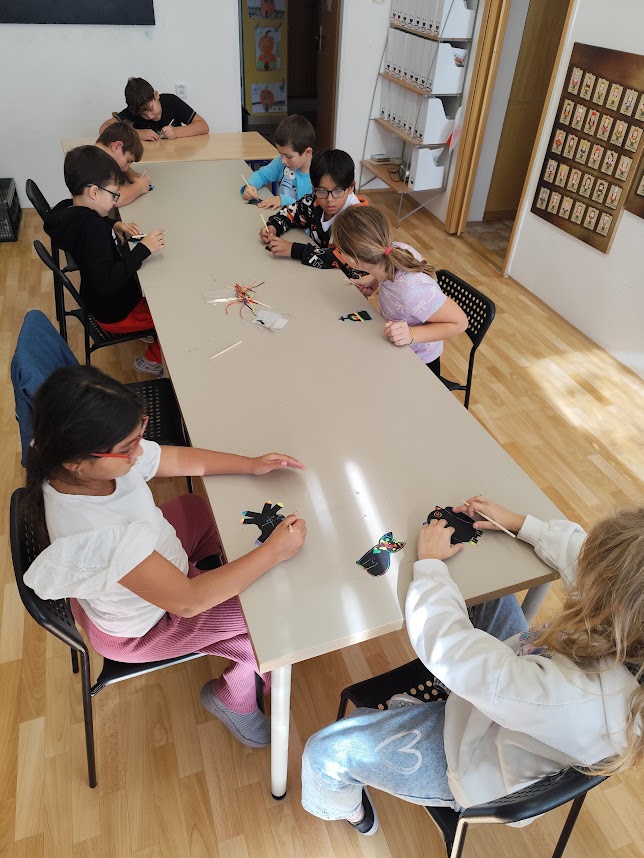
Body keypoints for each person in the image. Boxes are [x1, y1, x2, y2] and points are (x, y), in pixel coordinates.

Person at [301, 496, 644, 835]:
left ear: (613, 605)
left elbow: (447, 646)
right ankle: (439, 700)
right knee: (492, 594)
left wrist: (430, 565)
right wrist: (519, 523)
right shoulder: (629, 628)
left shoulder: (569, 696)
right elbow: (591, 560)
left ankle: (349, 811)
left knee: (324, 753)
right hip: (512, 700)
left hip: (472, 764)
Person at [23, 365, 307, 748]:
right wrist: (273, 552)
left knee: (195, 507)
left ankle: (225, 595)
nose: (138, 451)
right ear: (76, 461)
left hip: (152, 565)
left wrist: (250, 464)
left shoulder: (77, 460)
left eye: (140, 433)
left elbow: (170, 460)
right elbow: (188, 602)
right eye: (128, 447)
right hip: (148, 627)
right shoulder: (99, 534)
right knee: (268, 614)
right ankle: (232, 699)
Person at [44, 146, 165, 376]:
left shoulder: (69, 212)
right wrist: (144, 249)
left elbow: (91, 226)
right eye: (113, 194)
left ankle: (147, 333)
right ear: (94, 192)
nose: (115, 200)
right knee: (172, 314)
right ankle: (151, 360)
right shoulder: (93, 229)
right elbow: (109, 282)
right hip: (117, 313)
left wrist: (113, 224)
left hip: (99, 303)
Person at [331, 206, 467, 376]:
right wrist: (375, 279)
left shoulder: (410, 291)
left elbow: (460, 323)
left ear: (354, 261)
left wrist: (411, 334)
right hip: (396, 348)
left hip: (419, 361)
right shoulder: (393, 250)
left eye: (339, 250)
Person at [259, 149, 369, 279]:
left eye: (338, 191)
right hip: (319, 277)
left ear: (351, 187)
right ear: (313, 186)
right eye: (322, 191)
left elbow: (340, 258)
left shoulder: (358, 220)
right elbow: (291, 212)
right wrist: (274, 226)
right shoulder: (313, 202)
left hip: (351, 285)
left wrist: (293, 249)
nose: (329, 199)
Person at [99, 77, 209, 142]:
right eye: (143, 114)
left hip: (176, 157)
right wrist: (138, 134)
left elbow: (203, 126)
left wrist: (176, 132)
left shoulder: (171, 101)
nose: (150, 116)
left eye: (151, 109)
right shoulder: (134, 111)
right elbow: (103, 129)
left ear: (156, 95)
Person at [241, 114, 314, 209]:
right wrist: (251, 186)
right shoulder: (281, 161)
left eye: (288, 156)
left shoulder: (318, 177)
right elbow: (262, 175)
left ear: (307, 152)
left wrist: (282, 200)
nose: (283, 160)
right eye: (280, 153)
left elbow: (310, 208)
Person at [95, 121, 152, 207]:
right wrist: (140, 187)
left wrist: (131, 174)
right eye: (128, 161)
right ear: (116, 146)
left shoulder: (91, 153)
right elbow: (115, 199)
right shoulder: (98, 164)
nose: (125, 168)